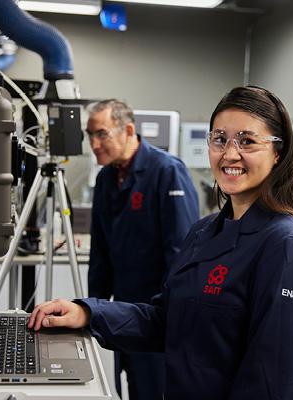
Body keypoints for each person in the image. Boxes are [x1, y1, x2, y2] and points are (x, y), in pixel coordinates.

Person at [28, 86, 293, 399]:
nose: (230, 153)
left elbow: (277, 383)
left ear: (278, 152)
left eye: (247, 141)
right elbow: (166, 320)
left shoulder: (290, 246)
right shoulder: (205, 232)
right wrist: (89, 313)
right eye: (220, 139)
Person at [84, 99, 199, 400]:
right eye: (90, 135)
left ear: (128, 130)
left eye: (102, 134)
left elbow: (183, 258)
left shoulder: (167, 172)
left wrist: (173, 321)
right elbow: (101, 253)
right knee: (131, 385)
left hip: (158, 318)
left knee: (153, 390)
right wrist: (91, 311)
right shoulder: (106, 178)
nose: (94, 144)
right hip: (122, 312)